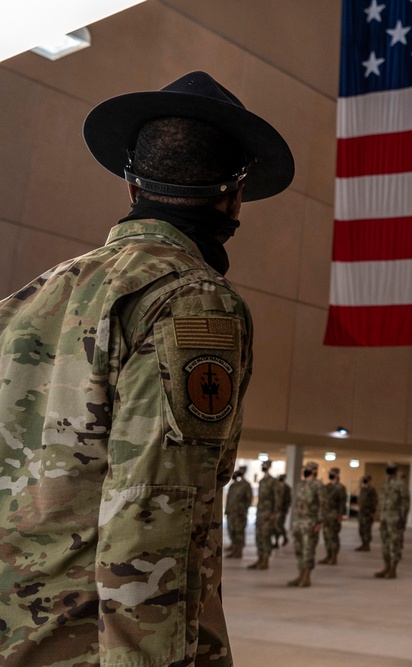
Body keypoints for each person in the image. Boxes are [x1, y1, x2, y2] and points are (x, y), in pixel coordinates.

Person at [0, 70, 294, 665]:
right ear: (233, 195)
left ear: (132, 188)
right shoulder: (191, 298)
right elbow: (153, 515)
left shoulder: (29, 298)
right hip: (90, 649)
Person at [289, 461, 327, 588]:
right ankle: (300, 574)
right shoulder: (301, 484)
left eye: (308, 469)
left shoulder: (318, 485)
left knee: (308, 550)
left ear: (314, 470)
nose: (306, 470)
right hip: (299, 522)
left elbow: (323, 504)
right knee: (299, 549)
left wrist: (319, 522)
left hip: (310, 522)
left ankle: (307, 576)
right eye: (305, 468)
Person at [375, 461, 410, 579]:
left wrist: (402, 518)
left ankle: (393, 569)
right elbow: (381, 501)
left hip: (395, 518)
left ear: (395, 470)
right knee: (385, 543)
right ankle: (386, 567)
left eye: (391, 468)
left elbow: (405, 502)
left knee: (395, 543)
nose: (389, 470)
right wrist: (379, 515)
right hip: (384, 518)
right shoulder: (385, 484)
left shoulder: (400, 484)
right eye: (388, 468)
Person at [248, 460, 282, 571]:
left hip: (268, 513)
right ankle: (260, 558)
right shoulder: (262, 481)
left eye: (265, 465)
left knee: (266, 536)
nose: (264, 467)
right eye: (263, 465)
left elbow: (277, 498)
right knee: (259, 536)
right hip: (260, 513)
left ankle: (266, 560)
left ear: (269, 467)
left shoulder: (273, 481)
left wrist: (275, 512)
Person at [320, 468, 348, 565]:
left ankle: (334, 557)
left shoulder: (340, 488)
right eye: (330, 473)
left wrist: (340, 515)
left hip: (334, 514)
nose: (331, 475)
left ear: (337, 475)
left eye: (332, 473)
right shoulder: (327, 487)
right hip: (326, 515)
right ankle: (328, 555)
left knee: (333, 537)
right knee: (326, 536)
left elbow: (342, 503)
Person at [225, 466, 253, 558]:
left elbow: (249, 499)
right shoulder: (233, 485)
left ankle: (239, 550)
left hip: (239, 513)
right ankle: (234, 548)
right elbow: (229, 499)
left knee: (239, 531)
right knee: (231, 530)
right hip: (231, 512)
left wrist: (245, 510)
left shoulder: (246, 485)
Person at [356, 475, 377, 551]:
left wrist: (373, 511)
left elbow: (374, 501)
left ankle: (367, 545)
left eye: (366, 480)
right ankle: (363, 543)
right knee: (361, 529)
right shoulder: (362, 489)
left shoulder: (371, 490)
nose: (365, 481)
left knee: (367, 529)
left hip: (368, 513)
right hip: (361, 512)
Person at [274, 473, 292, 548]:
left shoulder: (287, 488)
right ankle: (276, 542)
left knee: (279, 525)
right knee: (274, 526)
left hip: (281, 510)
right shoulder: (276, 486)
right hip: (275, 509)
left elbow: (288, 500)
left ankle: (285, 537)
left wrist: (285, 510)